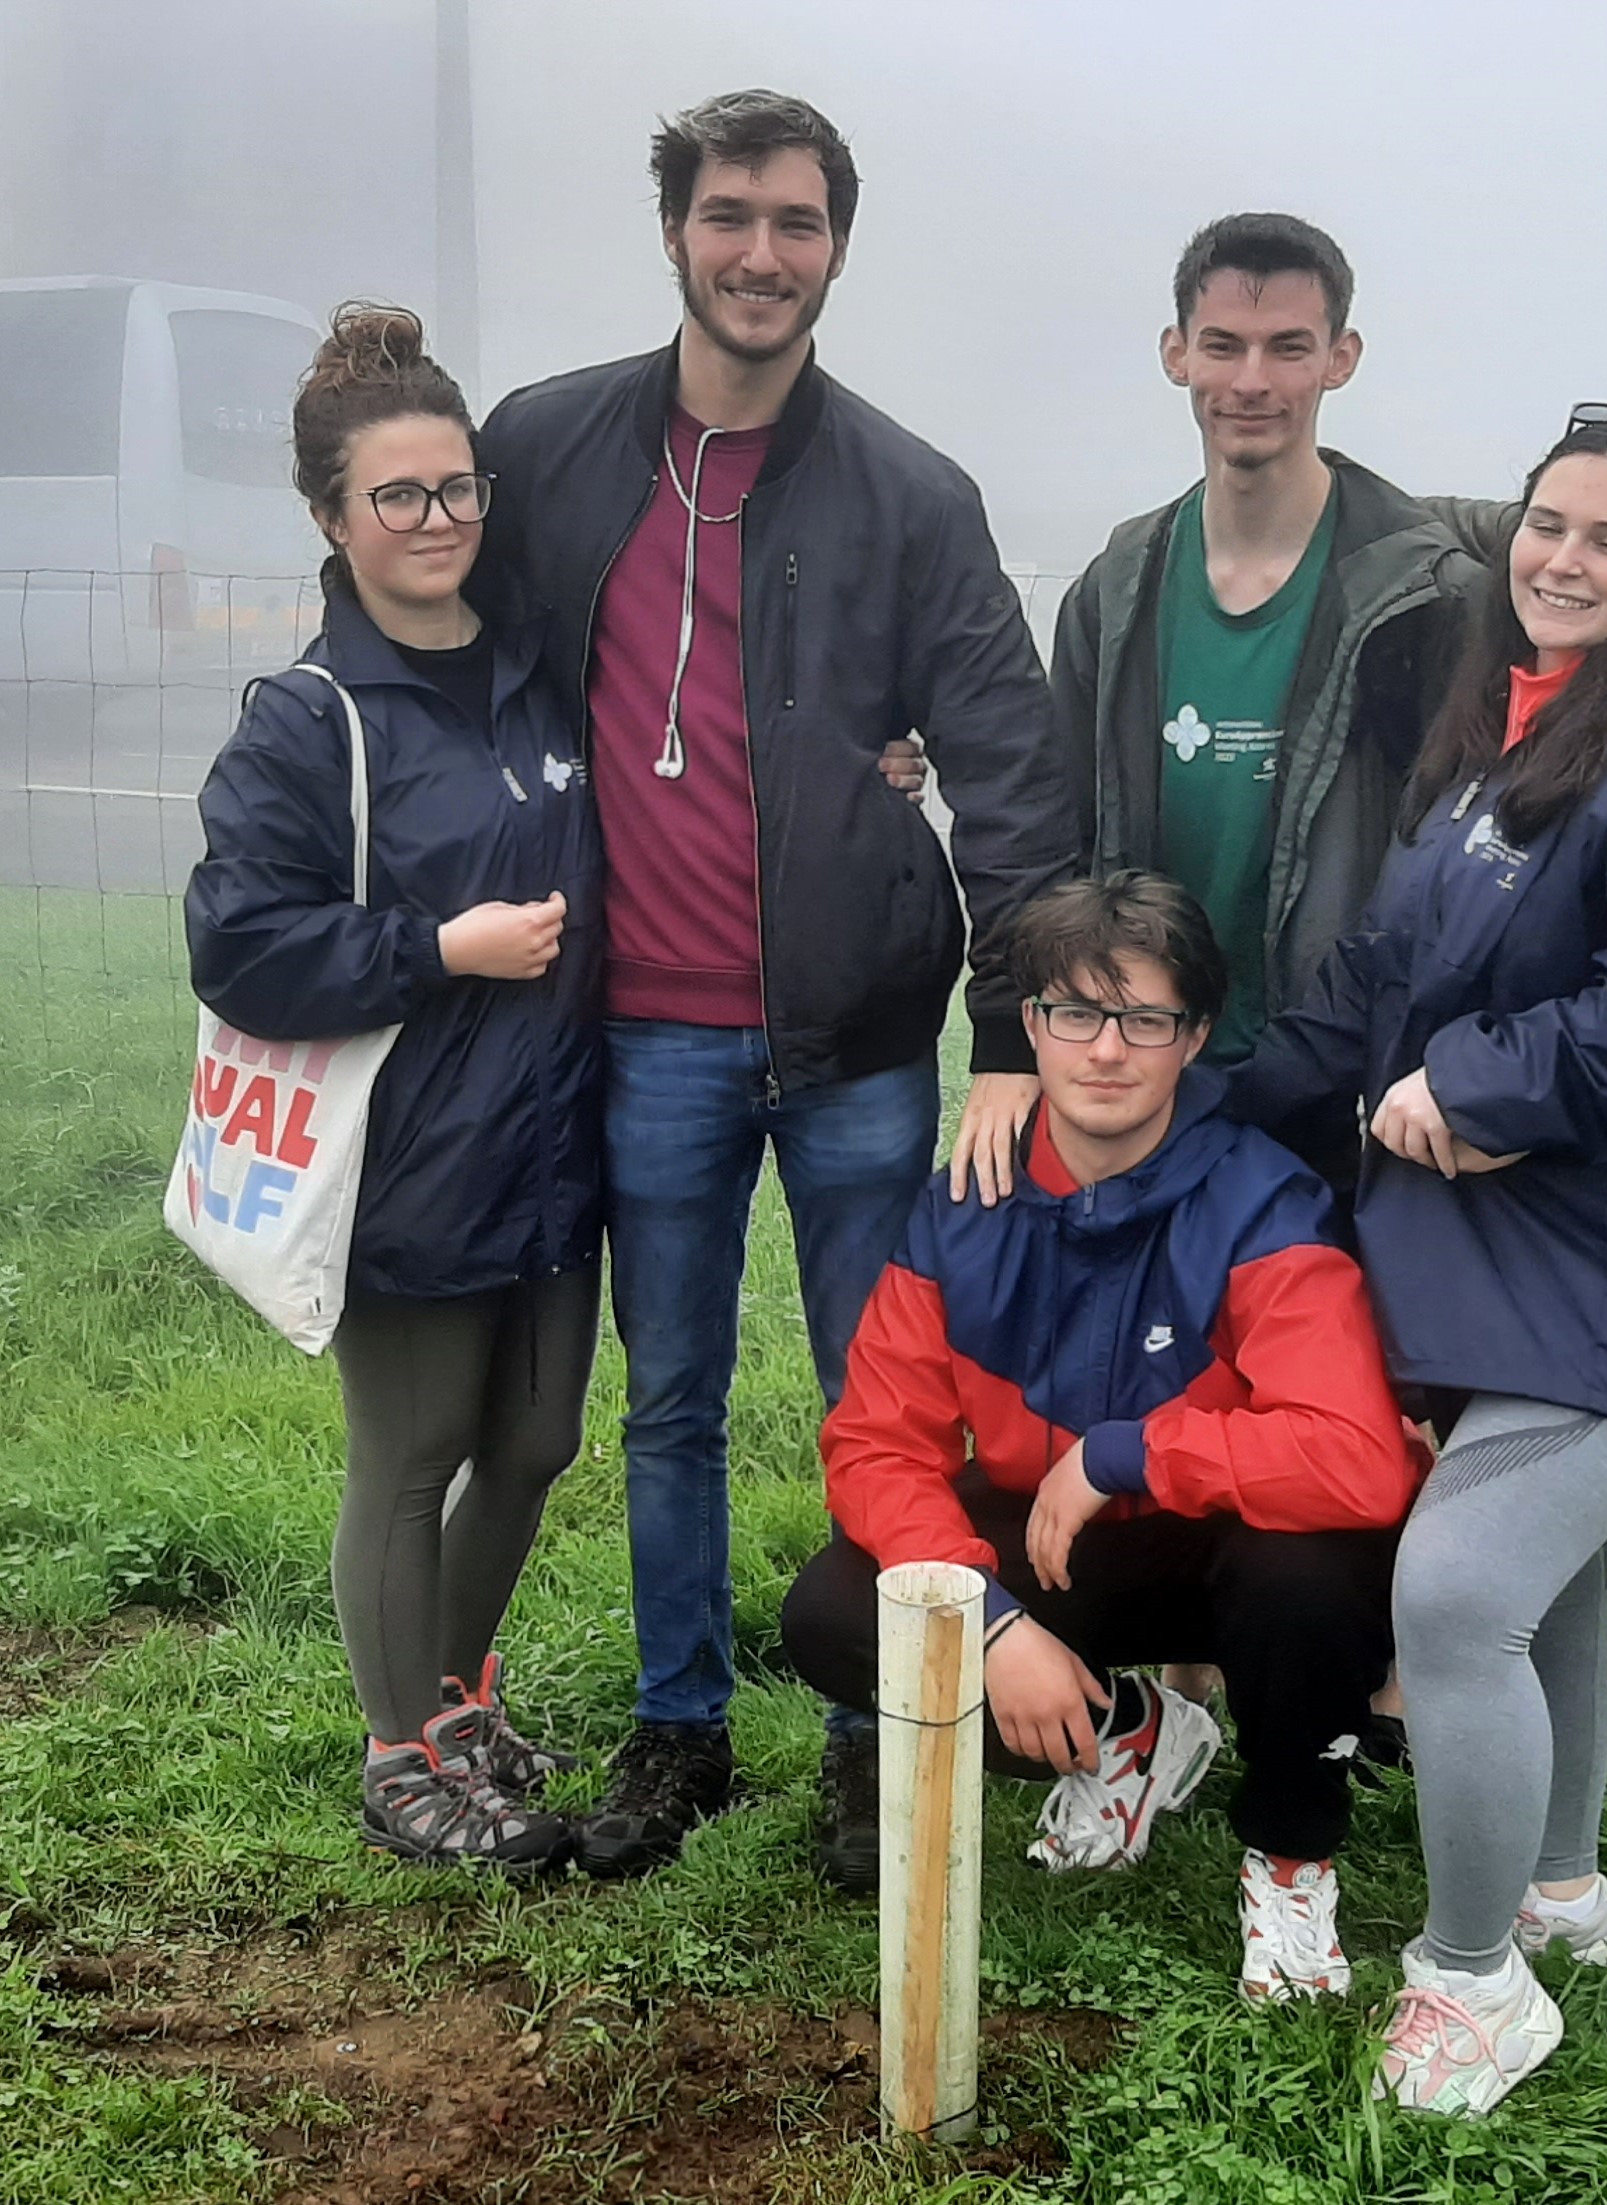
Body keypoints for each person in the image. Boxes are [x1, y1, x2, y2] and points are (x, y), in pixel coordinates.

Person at [468, 90, 1079, 1876]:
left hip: (860, 1045)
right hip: (634, 1031)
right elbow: (458, 668)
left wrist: (1003, 1037)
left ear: (835, 248)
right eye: (730, 214)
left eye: (796, 222)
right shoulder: (551, 448)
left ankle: (863, 1730)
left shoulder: (910, 494)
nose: (760, 252)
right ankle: (678, 1731)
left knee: (875, 1399)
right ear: (676, 232)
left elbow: (1014, 777)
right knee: (663, 1398)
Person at [1231, 405, 1607, 2114]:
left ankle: (1472, 1981)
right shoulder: (1511, 737)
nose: (1561, 556)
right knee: (1553, 1576)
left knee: (1461, 1589)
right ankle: (1561, 1885)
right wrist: (1205, 1103)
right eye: (1546, 525)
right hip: (1508, 1237)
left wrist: (1477, 1083)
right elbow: (1377, 980)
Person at [779, 872, 1422, 2001]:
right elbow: (877, 1444)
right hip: (1055, 1546)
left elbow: (1359, 1459)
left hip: (1223, 1542)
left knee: (1311, 1575)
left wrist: (1130, 1451)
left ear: (1197, 1037)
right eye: (1075, 1013)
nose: (1107, 1050)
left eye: (1146, 1020)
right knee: (839, 1609)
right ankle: (1127, 1731)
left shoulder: (1266, 1201)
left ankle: (1289, 1857)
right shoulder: (963, 1206)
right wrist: (987, 1622)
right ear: (1031, 1026)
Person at [187, 303, 601, 1873]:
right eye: (397, 498)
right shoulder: (310, 722)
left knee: (539, 1439)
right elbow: (239, 944)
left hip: (560, 1142)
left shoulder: (537, 678)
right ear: (329, 518)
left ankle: (456, 1700)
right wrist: (440, 946)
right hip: (408, 1156)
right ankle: (395, 1758)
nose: (436, 523)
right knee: (413, 1449)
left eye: (457, 491)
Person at [938, 214, 1479, 1199]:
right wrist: (1016, 1036)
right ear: (1176, 353)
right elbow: (1050, 834)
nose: (1252, 382)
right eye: (1223, 346)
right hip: (1139, 1063)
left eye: (1288, 349)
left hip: (1334, 1088)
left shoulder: (1422, 596)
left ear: (1341, 360)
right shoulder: (1118, 586)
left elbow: (1449, 862)